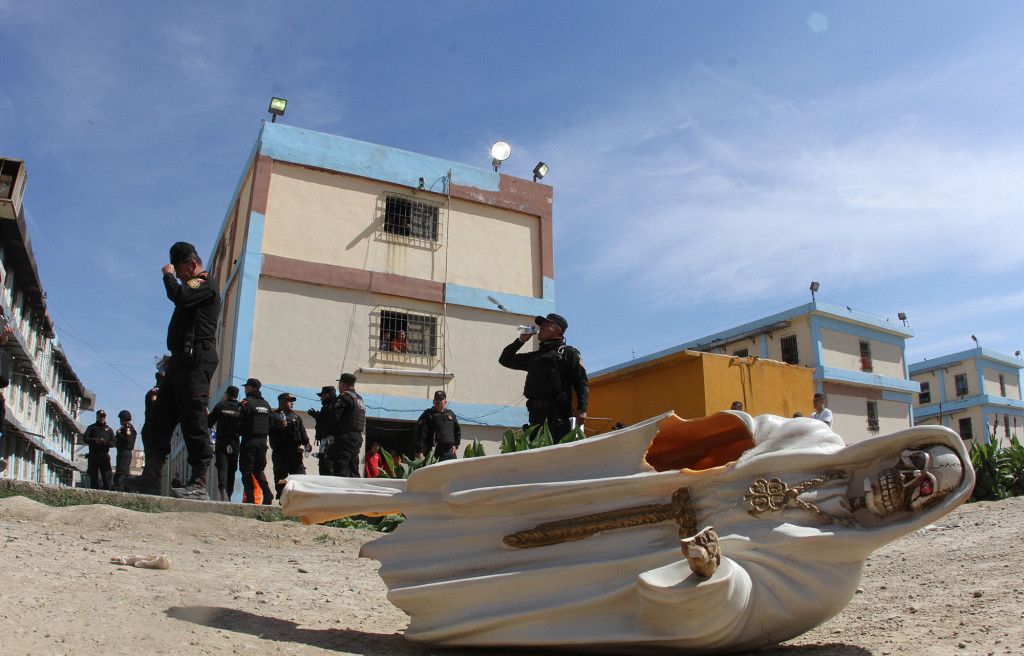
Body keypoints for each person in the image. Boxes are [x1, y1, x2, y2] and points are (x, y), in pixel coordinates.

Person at [128, 242, 220, 500]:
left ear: (192, 265)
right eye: (176, 275)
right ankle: (151, 476)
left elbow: (178, 295)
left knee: (194, 419)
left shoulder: (204, 284)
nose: (179, 277)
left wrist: (167, 274)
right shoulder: (193, 285)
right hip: (180, 362)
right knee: (157, 420)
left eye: (181, 273)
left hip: (196, 360)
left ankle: (199, 481)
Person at [499, 313, 588, 443]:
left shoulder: (568, 353)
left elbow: (581, 381)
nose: (541, 327)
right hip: (535, 415)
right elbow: (505, 359)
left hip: (558, 415)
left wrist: (582, 409)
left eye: (545, 324)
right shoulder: (534, 357)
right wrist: (520, 341)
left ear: (557, 329)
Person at [238, 378, 274, 504]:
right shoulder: (266, 404)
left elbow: (239, 422)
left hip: (250, 441)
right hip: (263, 442)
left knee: (246, 470)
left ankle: (250, 498)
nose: (245, 389)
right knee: (258, 470)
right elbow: (271, 422)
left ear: (251, 388)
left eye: (246, 387)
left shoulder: (246, 403)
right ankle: (268, 494)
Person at [269, 391, 310, 499]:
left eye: (292, 401)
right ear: (282, 402)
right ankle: (281, 499)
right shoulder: (273, 416)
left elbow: (302, 433)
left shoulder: (296, 417)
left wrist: (306, 444)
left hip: (294, 453)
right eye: (289, 401)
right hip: (280, 453)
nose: (292, 403)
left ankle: (299, 500)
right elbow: (267, 430)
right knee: (281, 478)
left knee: (300, 478)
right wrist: (276, 426)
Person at [208, 385, 243, 501]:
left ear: (227, 394)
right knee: (232, 469)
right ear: (237, 395)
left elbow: (209, 422)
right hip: (235, 442)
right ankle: (229, 493)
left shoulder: (220, 405)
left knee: (222, 466)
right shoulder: (241, 407)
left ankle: (223, 490)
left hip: (222, 442)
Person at [328, 373, 365, 477]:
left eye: (339, 383)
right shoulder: (359, 399)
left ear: (343, 384)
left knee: (340, 469)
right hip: (357, 437)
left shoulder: (345, 397)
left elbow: (334, 416)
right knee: (353, 469)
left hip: (345, 437)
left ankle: (340, 492)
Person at [416, 390, 461, 462]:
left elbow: (457, 431)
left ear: (445, 402)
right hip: (434, 453)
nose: (438, 401)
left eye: (441, 399)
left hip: (450, 452)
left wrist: (455, 445)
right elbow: (420, 434)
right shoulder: (428, 415)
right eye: (437, 399)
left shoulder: (450, 414)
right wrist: (420, 452)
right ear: (433, 401)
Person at [307, 386, 338, 475]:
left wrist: (317, 416)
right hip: (327, 441)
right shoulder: (332, 406)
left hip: (329, 442)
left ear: (327, 395)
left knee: (326, 468)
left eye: (322, 396)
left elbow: (327, 422)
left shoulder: (332, 407)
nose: (321, 398)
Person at [83, 410, 115, 490]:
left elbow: (113, 443)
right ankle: (93, 491)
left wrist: (105, 442)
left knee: (106, 476)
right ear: (97, 417)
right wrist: (94, 440)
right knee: (93, 476)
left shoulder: (109, 430)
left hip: (104, 455)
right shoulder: (91, 428)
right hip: (93, 454)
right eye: (100, 416)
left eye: (103, 416)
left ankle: (107, 492)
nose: (102, 418)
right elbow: (85, 439)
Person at [112, 410, 137, 491]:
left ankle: (120, 490)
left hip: (125, 452)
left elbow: (128, 441)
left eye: (120, 419)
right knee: (121, 472)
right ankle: (126, 489)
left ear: (123, 418)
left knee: (122, 473)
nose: (120, 421)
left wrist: (118, 434)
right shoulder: (125, 428)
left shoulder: (128, 428)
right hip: (122, 452)